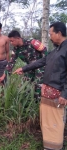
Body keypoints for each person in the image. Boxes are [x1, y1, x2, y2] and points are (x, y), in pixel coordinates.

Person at [14, 22, 67, 150]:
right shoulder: (56, 50)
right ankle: (48, 145)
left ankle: (55, 146)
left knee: (56, 122)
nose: (50, 37)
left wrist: (65, 94)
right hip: (48, 94)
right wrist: (24, 68)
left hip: (58, 95)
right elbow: (42, 61)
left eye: (51, 34)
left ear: (59, 33)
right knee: (48, 123)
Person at [0, 30, 47, 101]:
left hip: (40, 67)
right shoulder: (16, 49)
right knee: (25, 85)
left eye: (12, 41)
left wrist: (47, 67)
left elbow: (45, 52)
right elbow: (11, 62)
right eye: (10, 41)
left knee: (38, 87)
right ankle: (27, 104)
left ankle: (38, 104)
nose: (11, 43)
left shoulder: (32, 42)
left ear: (18, 38)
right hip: (29, 68)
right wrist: (4, 75)